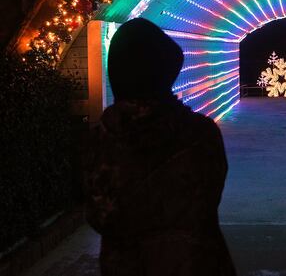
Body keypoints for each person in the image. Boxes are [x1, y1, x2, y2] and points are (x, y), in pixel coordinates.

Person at [83, 18, 236, 276]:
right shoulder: (200, 133)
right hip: (197, 263)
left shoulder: (98, 140)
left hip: (126, 266)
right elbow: (207, 200)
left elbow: (98, 215)